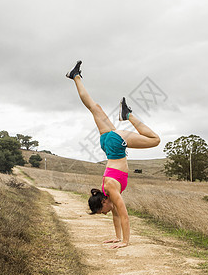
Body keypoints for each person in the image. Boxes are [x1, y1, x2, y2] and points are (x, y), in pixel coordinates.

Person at [66, 60, 160, 249]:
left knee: (155, 140)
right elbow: (117, 214)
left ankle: (128, 116)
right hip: (108, 144)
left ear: (103, 201)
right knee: (94, 107)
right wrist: (118, 238)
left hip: (115, 145)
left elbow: (123, 215)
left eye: (102, 211)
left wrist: (125, 242)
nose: (106, 213)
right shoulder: (109, 193)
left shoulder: (110, 189)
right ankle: (75, 76)